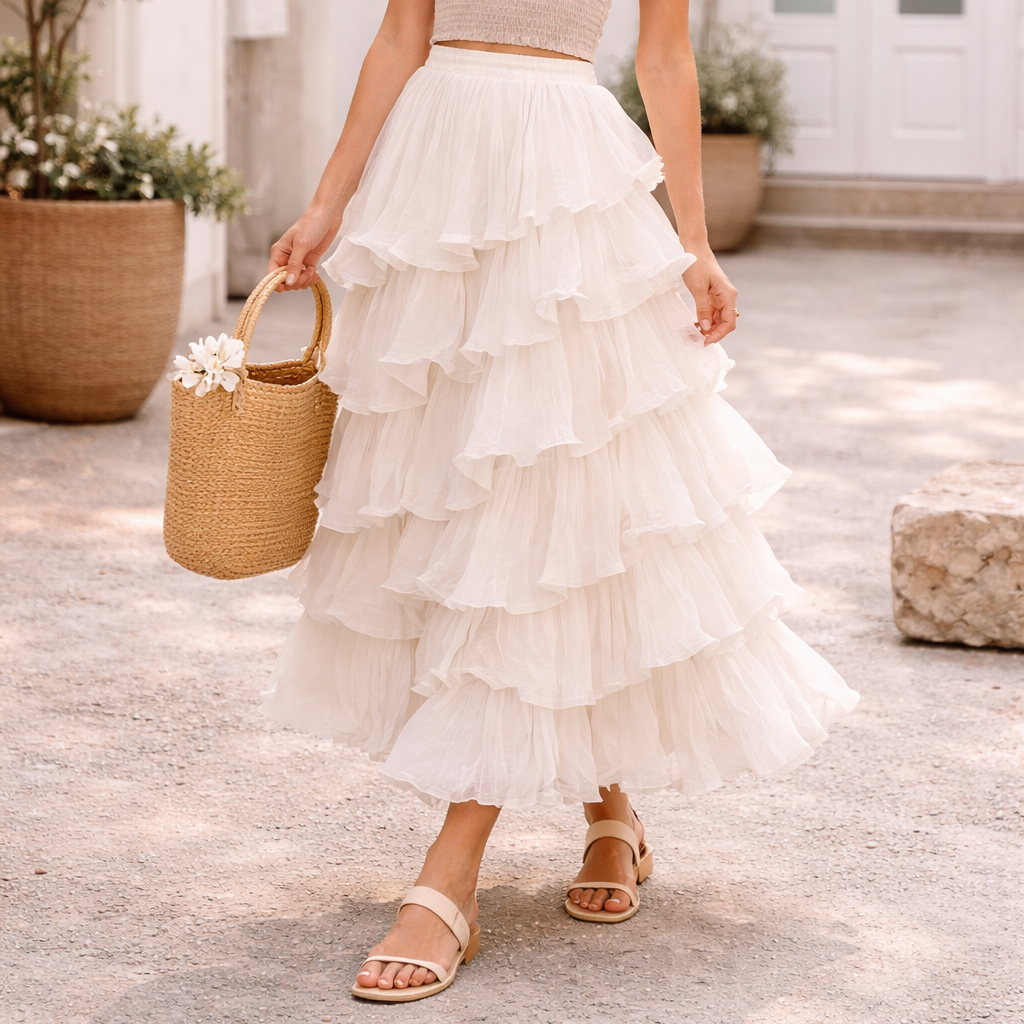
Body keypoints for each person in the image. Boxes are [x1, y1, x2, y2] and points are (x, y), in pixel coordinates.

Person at [263, 0, 859, 1003]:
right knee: (467, 494)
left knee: (552, 494)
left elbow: (665, 59)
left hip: (563, 188)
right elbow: (402, 36)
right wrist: (328, 202)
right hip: (436, 175)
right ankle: (611, 802)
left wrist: (693, 243)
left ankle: (453, 867)